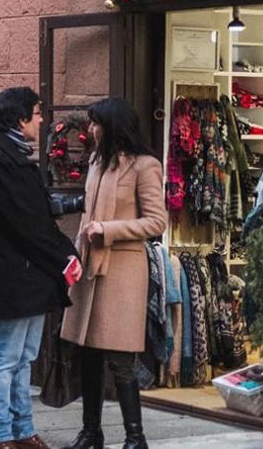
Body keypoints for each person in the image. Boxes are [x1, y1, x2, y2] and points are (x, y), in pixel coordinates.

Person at [0, 87, 81, 449]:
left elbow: (35, 215)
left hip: (31, 273)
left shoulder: (13, 158)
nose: (40, 120)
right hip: (16, 272)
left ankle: (22, 429)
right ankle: (0, 433)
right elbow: (26, 223)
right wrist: (64, 257)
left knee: (23, 358)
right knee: (6, 357)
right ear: (19, 119)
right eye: (35, 113)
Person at [60, 98, 166, 449]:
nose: (90, 130)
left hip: (123, 269)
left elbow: (156, 221)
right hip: (90, 268)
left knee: (121, 357)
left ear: (113, 126)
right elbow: (89, 211)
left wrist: (109, 228)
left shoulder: (145, 166)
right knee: (88, 352)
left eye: (96, 124)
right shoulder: (96, 162)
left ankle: (135, 437)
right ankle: (92, 432)